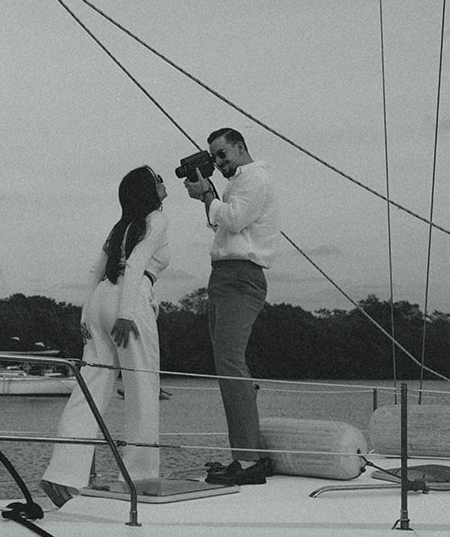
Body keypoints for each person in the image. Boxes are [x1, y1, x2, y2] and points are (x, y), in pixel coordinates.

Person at [41, 165, 170, 507]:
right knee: (142, 388)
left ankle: (62, 473)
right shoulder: (157, 219)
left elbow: (96, 270)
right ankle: (140, 479)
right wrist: (127, 313)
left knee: (92, 386)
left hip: (100, 299)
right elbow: (140, 261)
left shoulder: (120, 226)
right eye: (157, 179)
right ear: (147, 190)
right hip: (130, 297)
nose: (163, 182)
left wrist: (85, 315)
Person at [183, 126, 279, 486]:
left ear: (240, 147)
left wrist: (207, 196)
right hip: (225, 275)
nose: (218, 161)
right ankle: (247, 455)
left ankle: (248, 460)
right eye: (214, 156)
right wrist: (209, 198)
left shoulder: (254, 179)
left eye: (222, 154)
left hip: (241, 276)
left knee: (230, 363)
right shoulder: (237, 183)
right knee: (227, 365)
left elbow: (234, 219)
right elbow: (227, 228)